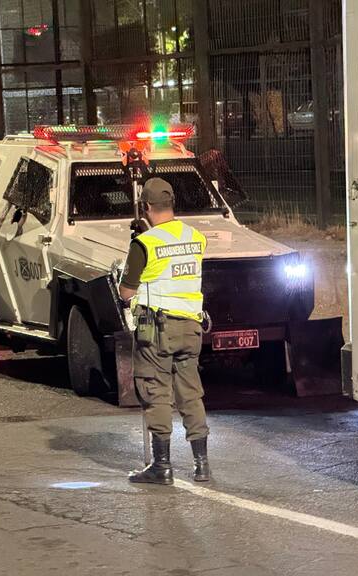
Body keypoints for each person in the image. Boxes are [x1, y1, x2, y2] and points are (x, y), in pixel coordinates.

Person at [119, 178, 210, 485]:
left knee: (156, 391)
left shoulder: (144, 244)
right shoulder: (195, 237)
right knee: (191, 394)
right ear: (172, 205)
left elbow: (126, 293)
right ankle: (201, 465)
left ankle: (162, 466)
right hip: (191, 327)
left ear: (145, 207)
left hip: (158, 330)